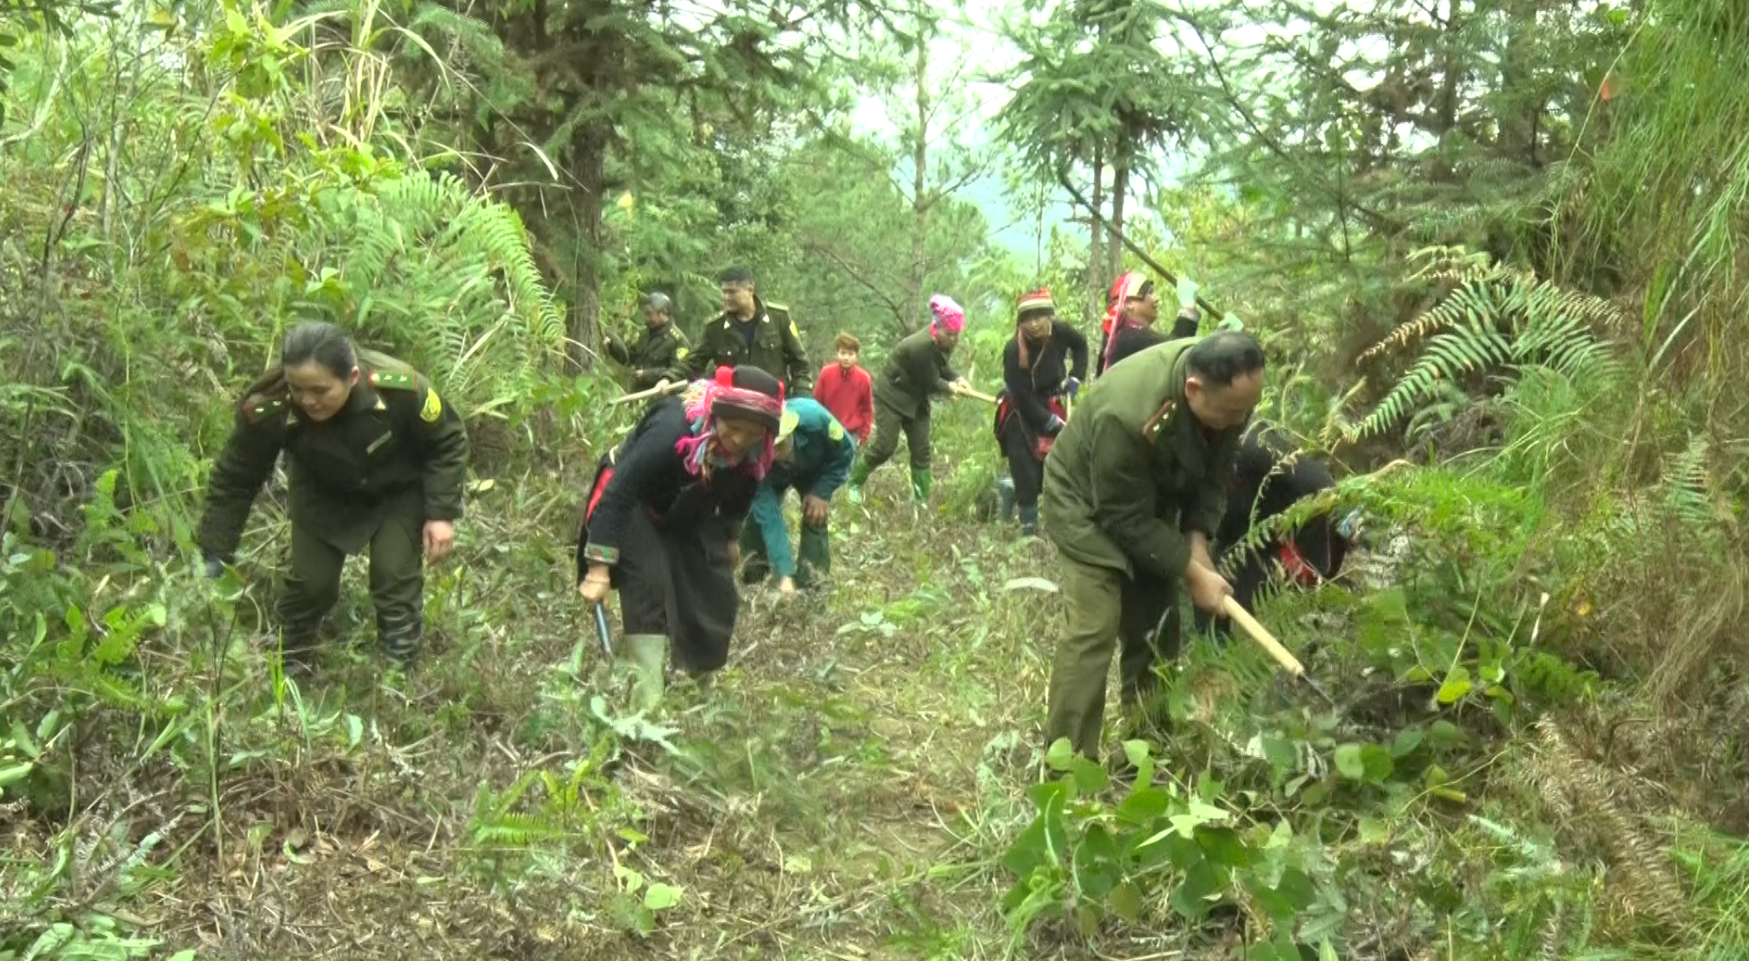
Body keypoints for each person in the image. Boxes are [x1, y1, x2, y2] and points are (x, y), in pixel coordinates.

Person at [1041, 330, 1267, 762]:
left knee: (1159, 622)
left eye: (1246, 410)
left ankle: (1144, 747)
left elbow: (1217, 472)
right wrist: (1192, 571)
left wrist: (1197, 542)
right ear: (1193, 390)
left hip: (1148, 503)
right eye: (1231, 412)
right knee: (1095, 626)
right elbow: (1121, 515)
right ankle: (1067, 765)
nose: (1239, 421)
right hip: (1085, 504)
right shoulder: (1128, 414)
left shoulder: (1230, 397)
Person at [196, 321, 470, 672]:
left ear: (352, 376)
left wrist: (441, 514)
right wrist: (215, 553)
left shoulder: (398, 389)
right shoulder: (273, 408)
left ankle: (397, 684)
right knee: (312, 586)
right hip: (322, 495)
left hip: (397, 491)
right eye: (298, 388)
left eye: (321, 390)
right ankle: (286, 671)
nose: (308, 400)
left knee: (393, 578)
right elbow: (235, 478)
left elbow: (448, 440)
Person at [575, 365, 785, 710]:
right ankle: (647, 694)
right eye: (732, 429)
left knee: (714, 586)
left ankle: (700, 681)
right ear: (717, 413)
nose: (737, 441)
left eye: (751, 434)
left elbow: (738, 497)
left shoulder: (753, 449)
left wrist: (729, 541)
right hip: (635, 500)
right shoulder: (671, 429)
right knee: (649, 581)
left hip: (687, 501)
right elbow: (620, 492)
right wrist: (598, 570)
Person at [1193, 422, 1364, 638]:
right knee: (1211, 602)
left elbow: (1325, 490)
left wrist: (1308, 562)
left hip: (1300, 543)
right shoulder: (1200, 468)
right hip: (1255, 538)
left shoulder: (1254, 447)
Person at [845, 295, 974, 504]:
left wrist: (958, 378)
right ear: (937, 328)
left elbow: (941, 365)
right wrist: (951, 388)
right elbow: (931, 380)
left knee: (921, 449)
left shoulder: (944, 340)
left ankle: (921, 501)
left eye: (956, 334)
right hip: (892, 395)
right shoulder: (920, 346)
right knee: (886, 446)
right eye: (950, 334)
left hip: (917, 397)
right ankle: (854, 481)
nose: (954, 339)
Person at [994, 287, 1088, 536]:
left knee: (1057, 464)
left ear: (1050, 316)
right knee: (1024, 467)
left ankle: (1009, 488)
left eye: (1039, 317)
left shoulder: (1060, 331)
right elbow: (1022, 396)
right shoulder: (1014, 350)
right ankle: (1029, 530)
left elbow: (1081, 346)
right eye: (1027, 319)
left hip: (1052, 400)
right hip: (1020, 411)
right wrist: (1050, 422)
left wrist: (1076, 376)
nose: (1034, 325)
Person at [740, 397, 858, 594]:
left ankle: (813, 585)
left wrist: (822, 491)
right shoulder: (755, 458)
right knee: (756, 520)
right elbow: (770, 518)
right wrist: (785, 572)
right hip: (773, 476)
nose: (775, 454)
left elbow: (845, 453)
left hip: (814, 469)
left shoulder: (815, 419)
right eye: (769, 449)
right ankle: (754, 581)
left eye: (780, 445)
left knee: (815, 516)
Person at [683, 265, 813, 395]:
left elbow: (800, 362)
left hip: (774, 402)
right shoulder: (715, 328)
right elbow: (692, 364)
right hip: (733, 404)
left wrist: (802, 394)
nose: (727, 297)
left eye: (732, 292)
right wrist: (668, 379)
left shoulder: (778, 318)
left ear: (750, 290)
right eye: (724, 292)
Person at [1096, 271, 1201, 376]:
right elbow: (1175, 352)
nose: (1156, 299)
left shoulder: (1121, 338)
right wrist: (1188, 309)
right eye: (1150, 292)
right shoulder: (1127, 338)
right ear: (1129, 303)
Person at [601, 291, 690, 391]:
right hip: (638, 394)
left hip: (663, 397)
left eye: (650, 314)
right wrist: (612, 345)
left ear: (663, 313)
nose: (647, 319)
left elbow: (680, 372)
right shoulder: (644, 334)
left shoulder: (677, 340)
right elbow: (628, 358)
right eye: (646, 314)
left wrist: (647, 374)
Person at [813, 332, 874, 444]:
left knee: (848, 461)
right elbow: (817, 403)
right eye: (843, 353)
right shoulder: (826, 373)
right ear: (837, 354)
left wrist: (864, 435)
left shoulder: (864, 378)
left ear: (856, 356)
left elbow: (867, 410)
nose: (846, 358)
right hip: (827, 430)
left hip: (852, 433)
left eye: (850, 354)